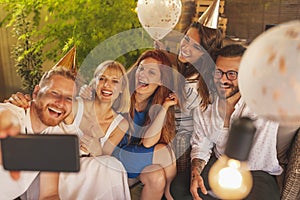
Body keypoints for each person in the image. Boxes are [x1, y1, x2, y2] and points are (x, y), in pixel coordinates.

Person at [4, 61, 132, 199]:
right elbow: (43, 111)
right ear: (94, 82)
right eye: (102, 79)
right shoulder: (74, 106)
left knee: (112, 166)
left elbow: (104, 155)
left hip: (81, 174)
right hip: (55, 170)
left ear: (122, 89)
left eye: (114, 81)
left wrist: (97, 150)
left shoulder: (120, 124)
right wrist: (22, 103)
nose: (107, 85)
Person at [170, 44, 283, 200]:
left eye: (231, 74)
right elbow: (201, 145)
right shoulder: (205, 106)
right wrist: (195, 173)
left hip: (257, 173)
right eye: (218, 72)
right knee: (178, 188)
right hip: (221, 166)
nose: (223, 79)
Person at [0, 66, 77, 200]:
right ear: (36, 93)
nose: (60, 103)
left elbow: (49, 194)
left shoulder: (56, 136)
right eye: (54, 93)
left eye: (69, 98)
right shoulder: (12, 114)